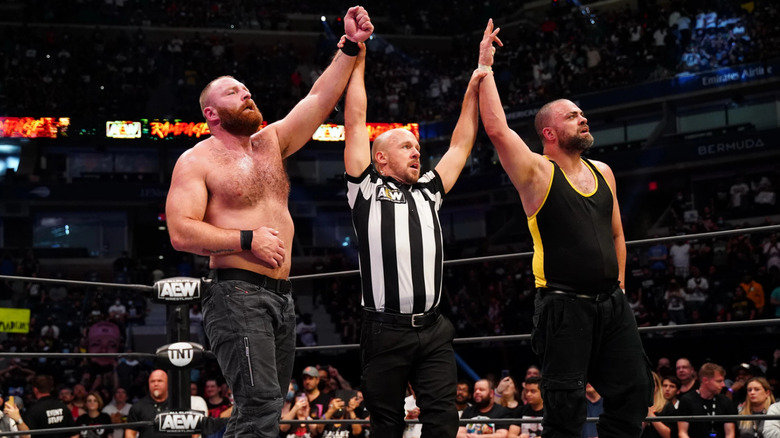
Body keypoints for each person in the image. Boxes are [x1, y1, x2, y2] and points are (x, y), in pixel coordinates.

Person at [164, 7, 373, 438]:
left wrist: (349, 45)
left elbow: (318, 99)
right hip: (235, 293)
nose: (246, 93)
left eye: (245, 87)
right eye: (233, 92)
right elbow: (181, 232)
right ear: (211, 113)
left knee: (265, 407)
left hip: (281, 296)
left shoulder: (271, 143)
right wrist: (246, 238)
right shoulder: (196, 160)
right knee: (259, 404)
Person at [477, 18, 652, 438]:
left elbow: (616, 235)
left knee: (635, 391)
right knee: (565, 405)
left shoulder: (604, 171)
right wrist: (485, 65)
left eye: (583, 113)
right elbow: (498, 130)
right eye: (573, 116)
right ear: (550, 132)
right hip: (563, 306)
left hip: (611, 302)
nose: (583, 119)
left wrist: (622, 287)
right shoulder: (537, 173)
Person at [342, 21, 486, 438]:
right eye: (406, 146)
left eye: (418, 148)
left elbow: (460, 143)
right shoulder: (366, 188)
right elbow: (355, 121)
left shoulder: (429, 191)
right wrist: (358, 56)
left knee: (443, 420)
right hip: (385, 330)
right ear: (380, 158)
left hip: (434, 328)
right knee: (386, 424)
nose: (417, 152)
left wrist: (477, 80)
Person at [677, 363, 736, 438]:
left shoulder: (726, 401)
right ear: (705, 380)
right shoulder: (687, 400)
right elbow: (682, 433)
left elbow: (730, 434)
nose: (723, 385)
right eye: (719, 381)